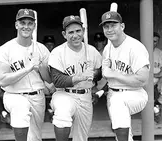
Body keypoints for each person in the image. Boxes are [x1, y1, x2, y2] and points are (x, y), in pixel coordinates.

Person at [0, 8, 54, 141]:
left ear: (34, 26)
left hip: (37, 96)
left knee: (35, 137)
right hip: (14, 95)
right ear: (16, 25)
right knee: (21, 109)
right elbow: (2, 80)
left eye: (30, 23)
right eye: (22, 22)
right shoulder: (5, 49)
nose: (26, 26)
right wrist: (28, 68)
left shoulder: (41, 49)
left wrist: (41, 66)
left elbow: (49, 79)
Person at [48, 15, 102, 141]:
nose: (75, 35)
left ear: (83, 31)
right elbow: (57, 80)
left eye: (78, 31)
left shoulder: (92, 51)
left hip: (85, 96)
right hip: (65, 94)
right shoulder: (58, 52)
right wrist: (81, 77)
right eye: (70, 32)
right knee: (62, 115)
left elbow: (100, 74)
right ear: (64, 34)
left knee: (82, 137)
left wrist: (94, 73)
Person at [100, 11, 149, 141]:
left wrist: (114, 74)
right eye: (106, 26)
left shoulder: (135, 47)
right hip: (113, 93)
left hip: (135, 93)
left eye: (113, 25)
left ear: (122, 26)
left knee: (118, 103)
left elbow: (142, 79)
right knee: (122, 131)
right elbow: (106, 76)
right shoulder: (108, 48)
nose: (109, 29)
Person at [153, 32, 162, 123]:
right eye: (151, 41)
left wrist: (154, 75)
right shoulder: (140, 51)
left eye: (155, 42)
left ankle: (156, 111)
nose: (153, 44)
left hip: (155, 83)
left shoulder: (159, 53)